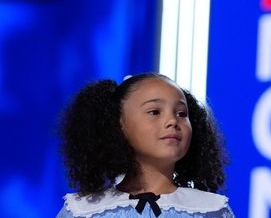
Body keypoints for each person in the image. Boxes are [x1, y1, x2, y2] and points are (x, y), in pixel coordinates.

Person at [56, 73, 235, 218]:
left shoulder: (210, 211)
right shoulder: (84, 211)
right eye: (154, 112)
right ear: (117, 125)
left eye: (181, 113)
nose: (172, 120)